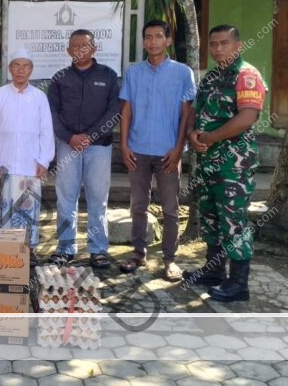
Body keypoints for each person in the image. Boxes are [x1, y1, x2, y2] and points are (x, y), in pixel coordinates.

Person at [183, 24, 267, 302]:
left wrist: (209, 137)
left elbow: (247, 118)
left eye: (224, 43)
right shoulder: (211, 77)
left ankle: (239, 284)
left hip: (234, 164)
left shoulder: (247, 75)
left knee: (233, 220)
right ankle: (214, 271)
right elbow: (196, 110)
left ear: (238, 45)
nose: (218, 48)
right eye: (214, 44)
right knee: (211, 216)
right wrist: (192, 134)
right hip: (207, 160)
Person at [118, 20, 196, 281]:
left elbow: (186, 113)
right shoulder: (133, 72)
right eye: (148, 37)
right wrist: (124, 145)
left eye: (159, 36)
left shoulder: (183, 73)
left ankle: (170, 259)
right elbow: (126, 109)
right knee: (138, 205)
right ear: (143, 41)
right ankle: (138, 253)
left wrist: (179, 148)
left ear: (168, 40)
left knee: (171, 208)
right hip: (137, 150)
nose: (153, 42)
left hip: (168, 152)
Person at [47, 29, 121, 267]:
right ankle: (65, 248)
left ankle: (98, 249)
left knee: (97, 199)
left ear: (95, 48)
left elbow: (114, 111)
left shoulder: (108, 76)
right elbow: (51, 113)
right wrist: (69, 137)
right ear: (68, 50)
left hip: (99, 146)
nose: (81, 49)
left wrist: (90, 136)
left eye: (85, 45)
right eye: (76, 45)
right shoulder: (59, 78)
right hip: (67, 146)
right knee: (66, 198)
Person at [0, 49, 54, 267]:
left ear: (31, 69)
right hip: (5, 163)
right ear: (9, 69)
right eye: (16, 65)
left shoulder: (39, 97)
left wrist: (44, 160)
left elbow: (46, 130)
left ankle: (28, 250)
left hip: (31, 164)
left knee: (28, 209)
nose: (21, 70)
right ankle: (6, 250)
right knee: (6, 208)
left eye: (25, 66)